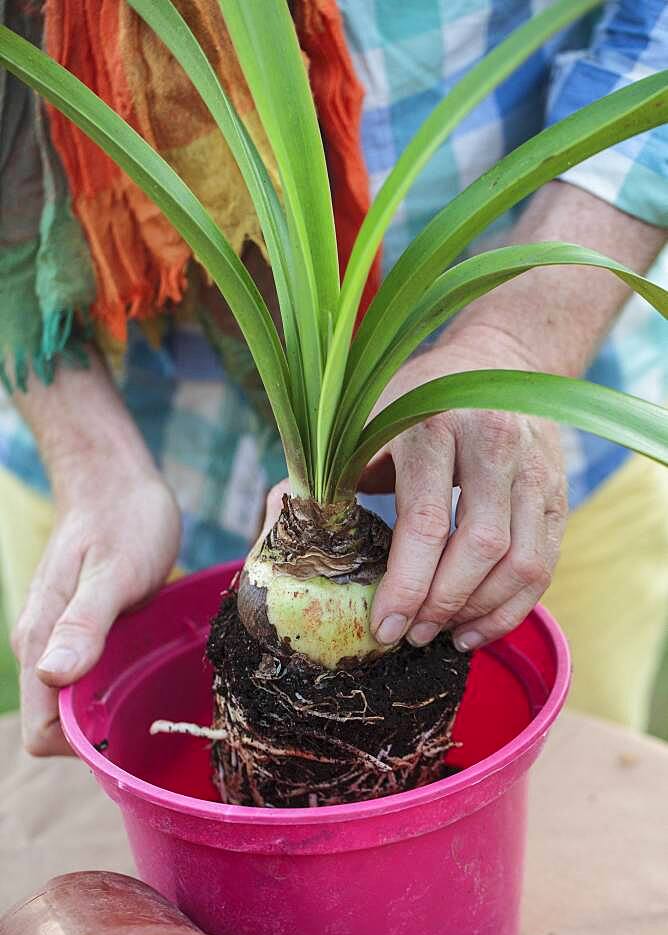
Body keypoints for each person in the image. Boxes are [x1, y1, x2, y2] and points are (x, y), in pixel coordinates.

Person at [1, 0, 666, 757]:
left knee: (574, 808)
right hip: (112, 494)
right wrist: (88, 458)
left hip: (505, 486)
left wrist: (514, 341)